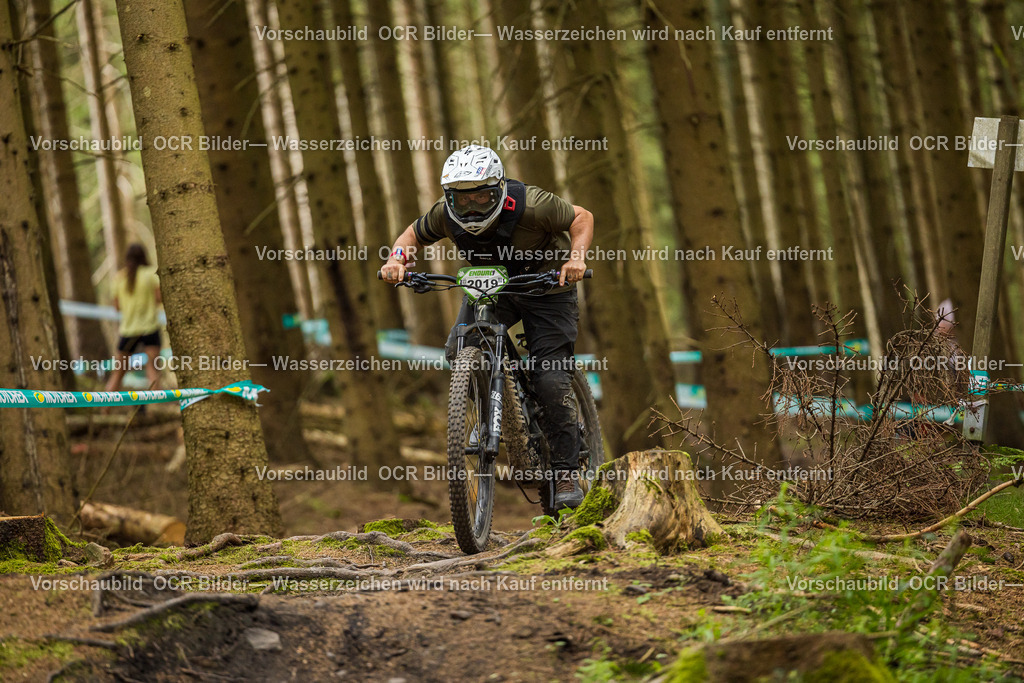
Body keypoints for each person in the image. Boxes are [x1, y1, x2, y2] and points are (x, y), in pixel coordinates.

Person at [381, 145, 594, 510]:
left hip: (547, 286)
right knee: (458, 349)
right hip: (491, 284)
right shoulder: (444, 215)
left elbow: (582, 217)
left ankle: (566, 471)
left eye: (482, 198)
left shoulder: (532, 204)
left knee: (550, 376)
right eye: (463, 201)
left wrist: (576, 258)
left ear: (499, 190)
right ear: (450, 198)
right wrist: (396, 260)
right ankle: (489, 394)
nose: (473, 208)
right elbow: (409, 237)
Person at [104, 243, 162, 394]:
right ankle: (155, 407)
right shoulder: (150, 274)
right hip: (150, 328)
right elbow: (159, 298)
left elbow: (116, 306)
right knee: (152, 369)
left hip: (128, 330)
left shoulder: (119, 278)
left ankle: (106, 408)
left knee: (118, 373)